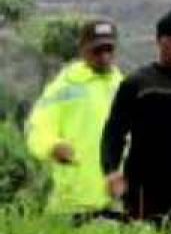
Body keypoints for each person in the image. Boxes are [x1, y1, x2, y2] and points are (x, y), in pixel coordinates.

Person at [100, 9, 171, 223]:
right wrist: (112, 171)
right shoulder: (138, 84)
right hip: (145, 187)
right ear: (159, 41)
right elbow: (114, 131)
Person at [26, 19, 123, 218]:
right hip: (72, 206)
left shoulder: (122, 85)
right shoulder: (64, 87)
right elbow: (38, 128)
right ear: (83, 50)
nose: (104, 57)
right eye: (97, 51)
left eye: (109, 50)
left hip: (115, 202)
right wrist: (53, 146)